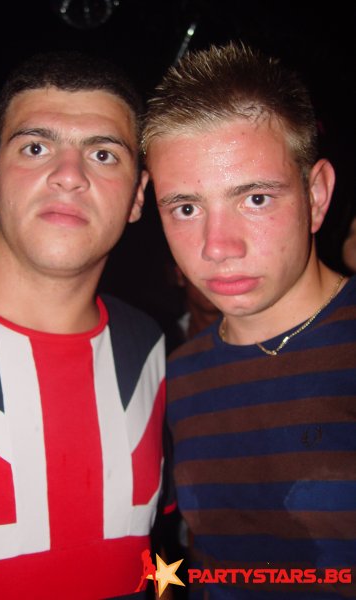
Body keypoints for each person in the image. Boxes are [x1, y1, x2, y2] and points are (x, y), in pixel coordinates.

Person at [0, 51, 172, 600]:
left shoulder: (152, 349)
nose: (69, 175)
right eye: (35, 147)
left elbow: (155, 553)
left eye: (103, 154)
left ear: (138, 197)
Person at [143, 42, 356, 599]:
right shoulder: (174, 376)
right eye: (186, 208)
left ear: (316, 195)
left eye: (255, 198)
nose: (217, 247)